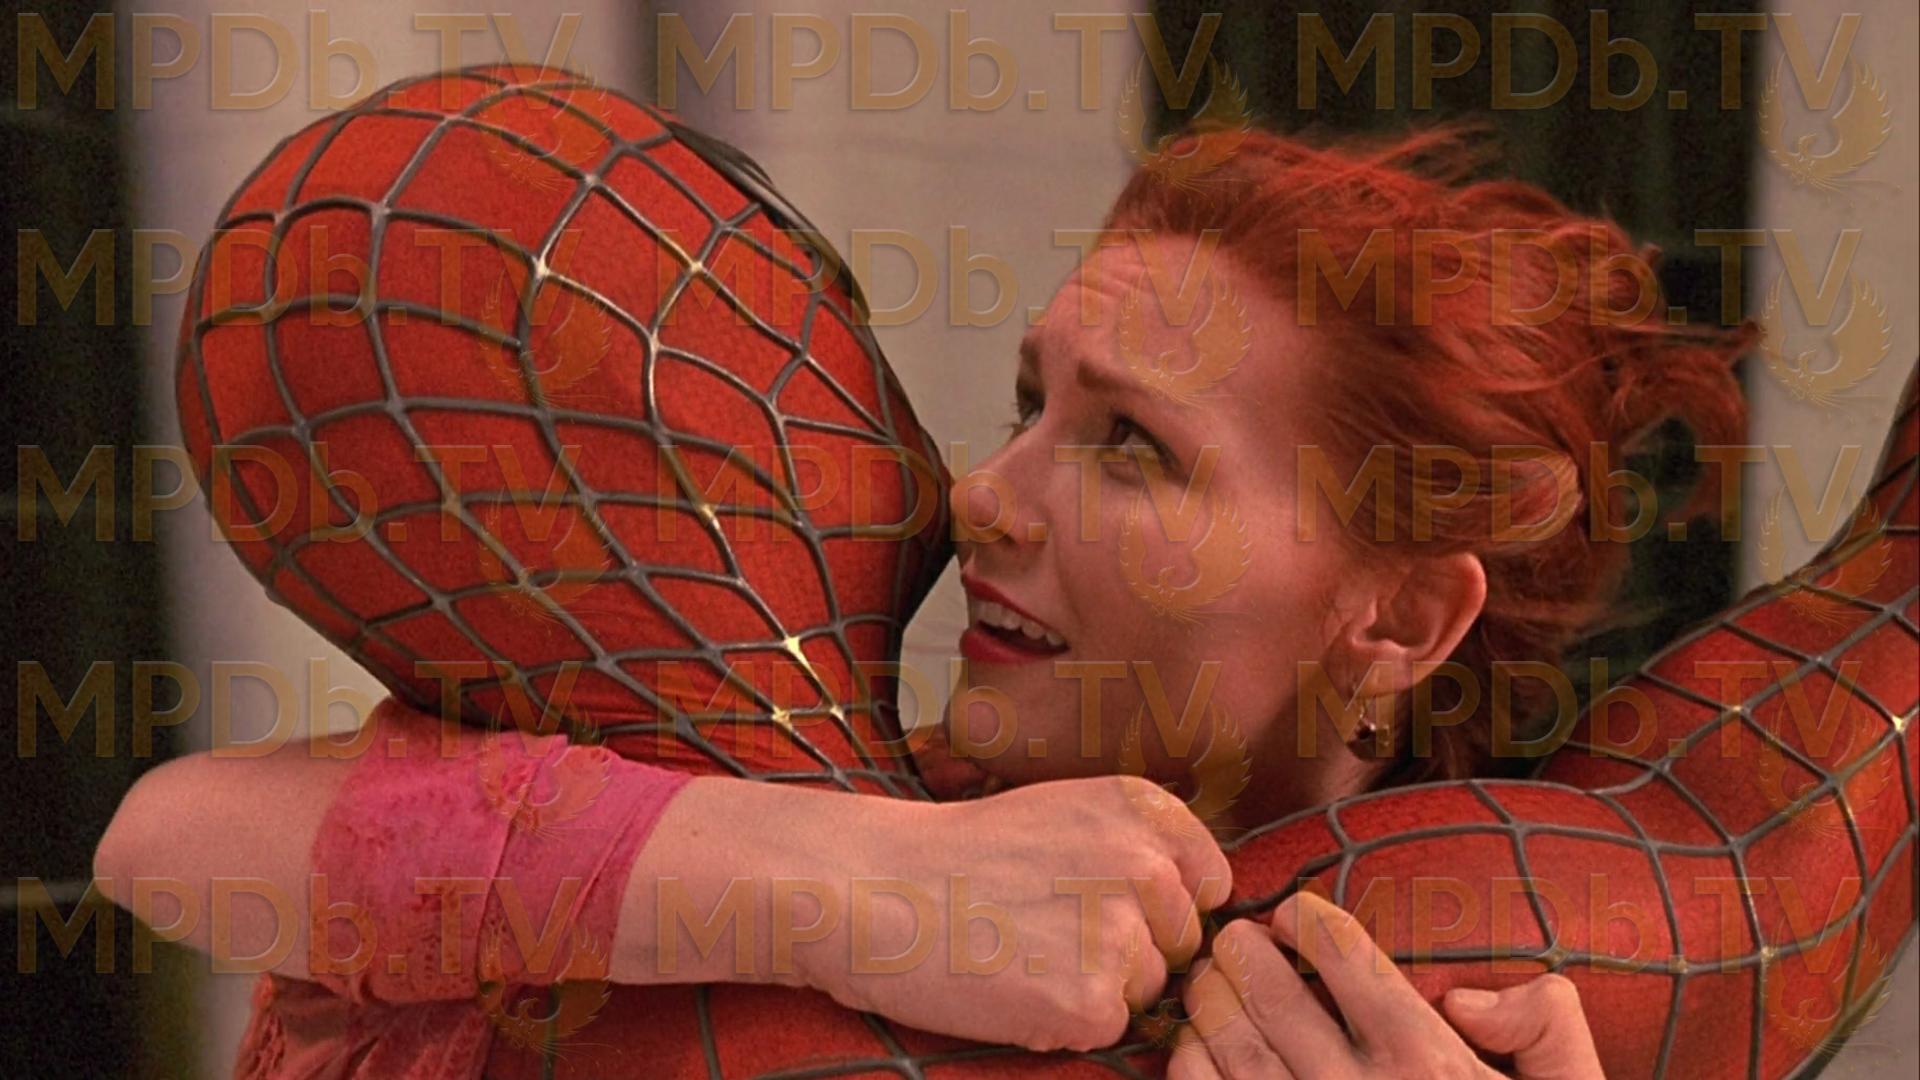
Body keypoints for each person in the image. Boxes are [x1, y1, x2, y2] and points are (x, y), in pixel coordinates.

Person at [100, 70, 1765, 1078]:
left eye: (1135, 447)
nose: (984, 498)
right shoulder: (783, 765)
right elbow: (174, 841)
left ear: (1396, 616)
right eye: (1034, 403)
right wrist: (848, 878)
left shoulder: (1501, 995)